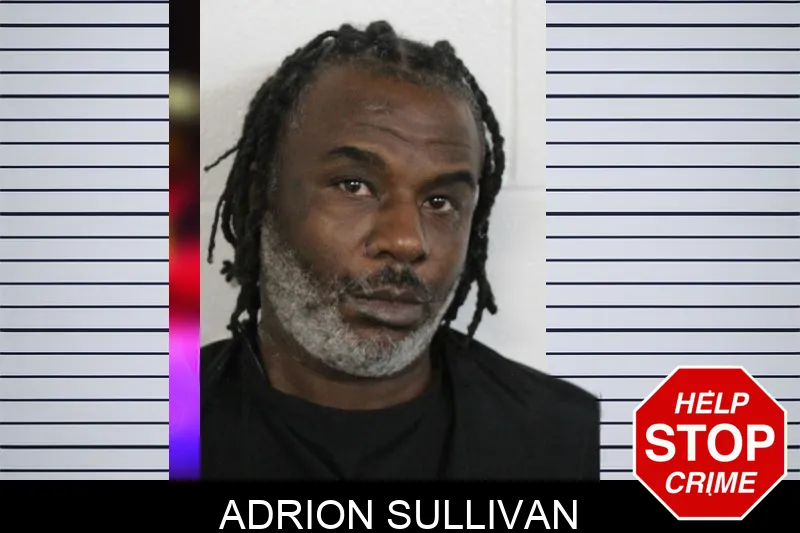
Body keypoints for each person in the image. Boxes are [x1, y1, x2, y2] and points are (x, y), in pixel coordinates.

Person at [201, 21, 600, 480]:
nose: (407, 241)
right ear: (261, 194)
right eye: (354, 185)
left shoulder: (569, 443)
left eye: (440, 202)